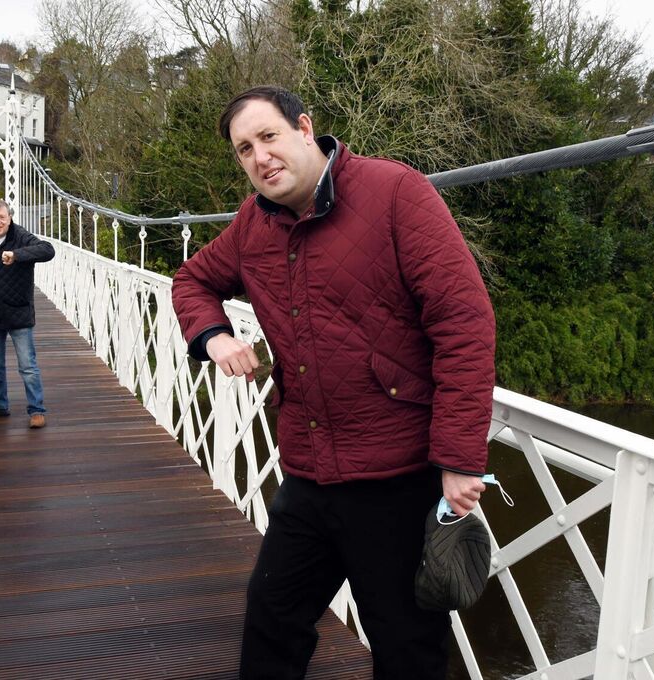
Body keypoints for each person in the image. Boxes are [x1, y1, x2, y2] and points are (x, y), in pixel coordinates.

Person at [170, 86, 496, 679]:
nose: (260, 157)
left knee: (406, 648)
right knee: (270, 623)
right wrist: (213, 337)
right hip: (308, 472)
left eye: (268, 136)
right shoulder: (252, 224)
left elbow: (464, 325)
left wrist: (458, 458)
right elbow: (191, 280)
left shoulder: (395, 192)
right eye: (244, 149)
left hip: (396, 477)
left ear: (304, 128)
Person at [0, 198, 55, 428]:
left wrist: (16, 255)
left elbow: (48, 250)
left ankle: (36, 410)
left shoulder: (20, 236)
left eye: (2, 217)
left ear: (9, 218)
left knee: (27, 366)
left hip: (19, 311)